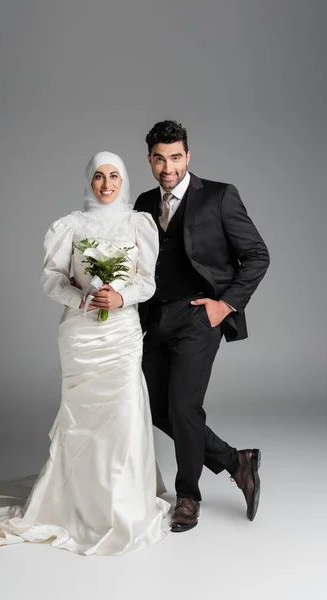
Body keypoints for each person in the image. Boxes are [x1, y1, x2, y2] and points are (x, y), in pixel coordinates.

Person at [0, 151, 170, 555]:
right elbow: (50, 280)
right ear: (89, 181)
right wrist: (83, 296)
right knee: (81, 418)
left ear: (124, 180)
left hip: (122, 332)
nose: (106, 185)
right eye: (99, 177)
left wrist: (120, 296)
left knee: (123, 412)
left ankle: (121, 507)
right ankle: (77, 504)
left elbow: (148, 283)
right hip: (80, 334)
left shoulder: (139, 223)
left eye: (114, 177)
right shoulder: (70, 225)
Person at [134, 120, 270, 533]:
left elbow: (257, 255)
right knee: (156, 408)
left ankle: (188, 496)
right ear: (150, 160)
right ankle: (235, 460)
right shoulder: (141, 202)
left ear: (188, 156)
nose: (168, 167)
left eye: (175, 157)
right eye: (159, 159)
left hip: (199, 317)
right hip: (155, 319)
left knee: (184, 406)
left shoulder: (219, 196)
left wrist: (224, 305)